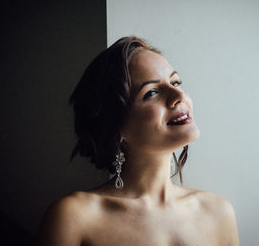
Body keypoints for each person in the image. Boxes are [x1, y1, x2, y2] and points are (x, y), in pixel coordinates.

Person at [36, 36, 240, 246]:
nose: (178, 95)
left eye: (175, 82)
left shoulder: (219, 213)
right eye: (151, 92)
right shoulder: (75, 218)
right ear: (116, 127)